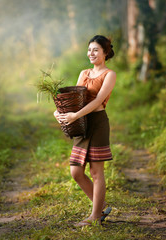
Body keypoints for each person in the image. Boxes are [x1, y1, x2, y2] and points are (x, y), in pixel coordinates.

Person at [54, 35, 116, 226]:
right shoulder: (84, 73)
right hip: (81, 124)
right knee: (76, 172)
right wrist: (60, 111)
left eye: (96, 50)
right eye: (89, 50)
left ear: (105, 52)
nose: (91, 53)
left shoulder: (109, 74)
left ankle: (95, 216)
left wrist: (75, 115)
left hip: (97, 123)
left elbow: (98, 101)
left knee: (97, 172)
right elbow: (74, 98)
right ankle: (102, 206)